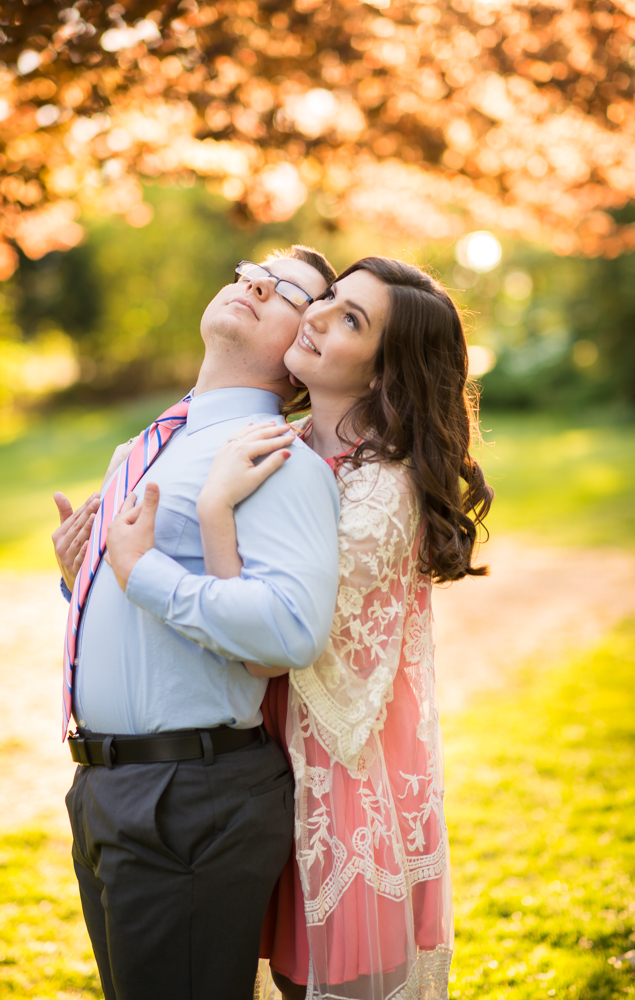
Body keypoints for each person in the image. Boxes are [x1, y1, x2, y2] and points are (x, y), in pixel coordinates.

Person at [184, 257, 494, 999]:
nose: (317, 317)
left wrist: (214, 516)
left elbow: (275, 640)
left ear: (386, 374)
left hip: (332, 789)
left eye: (350, 319)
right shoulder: (281, 442)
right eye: (326, 300)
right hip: (248, 766)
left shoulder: (381, 489)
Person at [51, 246, 342, 1000]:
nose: (252, 283)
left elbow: (288, 633)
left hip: (188, 795)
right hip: (107, 788)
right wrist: (78, 580)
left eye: (283, 291)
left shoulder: (274, 459)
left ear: (302, 352)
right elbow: (147, 600)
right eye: (253, 269)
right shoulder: (146, 447)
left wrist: (138, 573)